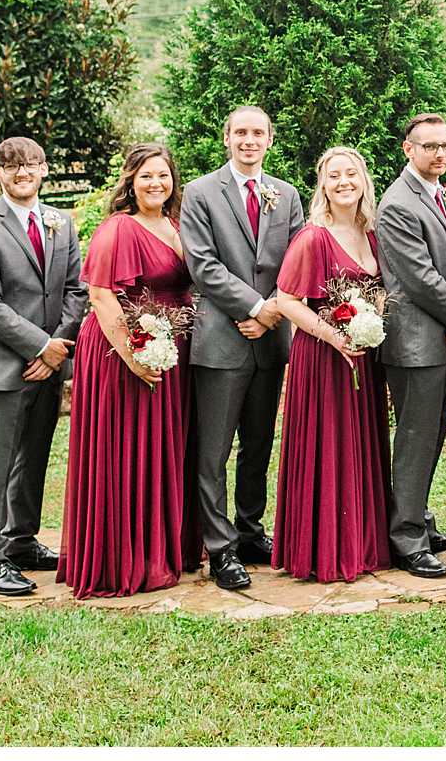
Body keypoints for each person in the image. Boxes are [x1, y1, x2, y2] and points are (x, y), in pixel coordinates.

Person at [60, 144, 201, 598]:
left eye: (163, 175)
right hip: (123, 355)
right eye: (146, 177)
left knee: (166, 449)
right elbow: (101, 297)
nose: (156, 184)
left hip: (171, 351)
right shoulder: (118, 229)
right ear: (130, 182)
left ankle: (164, 549)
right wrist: (133, 357)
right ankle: (125, 558)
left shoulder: (178, 226)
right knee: (130, 450)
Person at [179, 106, 306, 592]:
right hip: (221, 340)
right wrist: (252, 308)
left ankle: (251, 532)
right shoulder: (200, 193)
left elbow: (297, 261)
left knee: (258, 444)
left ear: (269, 140)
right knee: (213, 451)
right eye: (240, 133)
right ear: (227, 138)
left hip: (272, 341)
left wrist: (272, 312)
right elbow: (202, 264)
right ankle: (220, 547)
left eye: (257, 133)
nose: (249, 140)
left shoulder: (287, 194)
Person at [0, 136, 85, 596]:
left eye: (32, 164)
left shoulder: (61, 222)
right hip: (5, 366)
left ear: (45, 170)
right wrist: (39, 348)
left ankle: (21, 541)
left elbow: (76, 290)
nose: (23, 173)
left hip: (50, 363)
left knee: (34, 457)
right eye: (12, 166)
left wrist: (57, 347)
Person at [269, 146, 392, 584]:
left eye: (352, 174)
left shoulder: (372, 234)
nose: (344, 182)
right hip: (323, 358)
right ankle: (322, 549)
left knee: (359, 444)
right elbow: (286, 301)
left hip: (363, 357)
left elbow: (378, 291)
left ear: (364, 180)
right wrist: (334, 336)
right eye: (334, 176)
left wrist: (369, 323)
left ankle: (362, 543)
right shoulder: (313, 237)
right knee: (328, 444)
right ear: (323, 184)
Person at [374, 113, 446, 579]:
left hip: (440, 340)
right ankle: (407, 540)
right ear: (407, 149)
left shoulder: (439, 194)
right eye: (429, 146)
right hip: (414, 342)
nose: (439, 154)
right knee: (414, 439)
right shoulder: (397, 203)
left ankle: (421, 520)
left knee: (432, 435)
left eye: (445, 146)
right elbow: (419, 277)